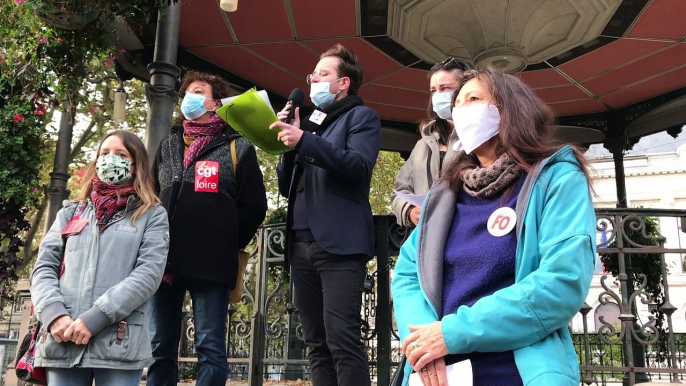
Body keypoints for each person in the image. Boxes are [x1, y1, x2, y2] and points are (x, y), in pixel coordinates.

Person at [391, 68, 596, 386]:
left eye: (473, 99)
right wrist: (423, 340)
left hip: (518, 370)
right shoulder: (444, 194)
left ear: (511, 109)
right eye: (457, 104)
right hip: (437, 370)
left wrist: (451, 334)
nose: (461, 110)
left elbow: (562, 281)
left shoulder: (557, 178)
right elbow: (408, 274)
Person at [270, 43, 381, 386]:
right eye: (313, 74)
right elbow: (288, 186)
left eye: (322, 74)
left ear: (343, 82)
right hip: (300, 242)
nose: (314, 79)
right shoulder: (313, 124)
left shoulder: (361, 117)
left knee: (341, 338)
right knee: (316, 343)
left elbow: (358, 166)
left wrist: (305, 140)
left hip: (339, 245)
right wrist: (287, 146)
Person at [147, 70, 267, 386]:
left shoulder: (237, 147)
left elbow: (254, 206)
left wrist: (225, 241)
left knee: (209, 346)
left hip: (211, 264)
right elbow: (151, 192)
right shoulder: (168, 144)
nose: (191, 97)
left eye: (199, 91)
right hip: (163, 261)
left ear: (215, 104)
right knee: (159, 347)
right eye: (188, 91)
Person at [31, 130, 169, 386]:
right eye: (104, 153)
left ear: (136, 165)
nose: (110, 159)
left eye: (120, 154)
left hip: (119, 343)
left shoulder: (152, 215)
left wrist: (96, 318)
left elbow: (149, 274)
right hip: (64, 339)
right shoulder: (70, 212)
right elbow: (43, 269)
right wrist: (53, 314)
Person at [391, 57, 475, 227]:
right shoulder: (423, 144)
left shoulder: (480, 138)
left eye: (445, 88)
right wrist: (409, 211)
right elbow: (399, 191)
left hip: (466, 232)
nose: (438, 96)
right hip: (425, 236)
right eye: (433, 90)